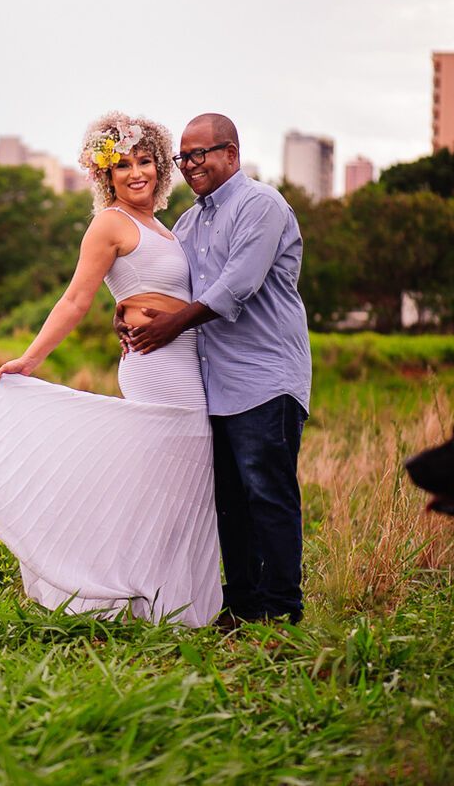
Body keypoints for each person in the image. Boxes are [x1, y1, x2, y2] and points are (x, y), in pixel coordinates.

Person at [0, 112, 222, 626]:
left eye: (145, 162)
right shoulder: (109, 223)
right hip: (155, 366)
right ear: (105, 177)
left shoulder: (164, 226)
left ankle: (172, 601)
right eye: (123, 167)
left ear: (160, 166)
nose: (137, 173)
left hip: (187, 360)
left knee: (184, 484)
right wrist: (31, 358)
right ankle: (146, 600)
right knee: (163, 482)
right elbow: (74, 299)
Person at [121, 113, 311, 626]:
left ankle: (281, 609)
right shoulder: (188, 222)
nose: (189, 165)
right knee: (227, 501)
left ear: (232, 153)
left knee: (267, 494)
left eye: (199, 154)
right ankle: (245, 602)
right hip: (213, 385)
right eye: (183, 157)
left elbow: (236, 286)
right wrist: (133, 313)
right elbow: (172, 288)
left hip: (265, 378)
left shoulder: (260, 205)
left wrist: (170, 326)